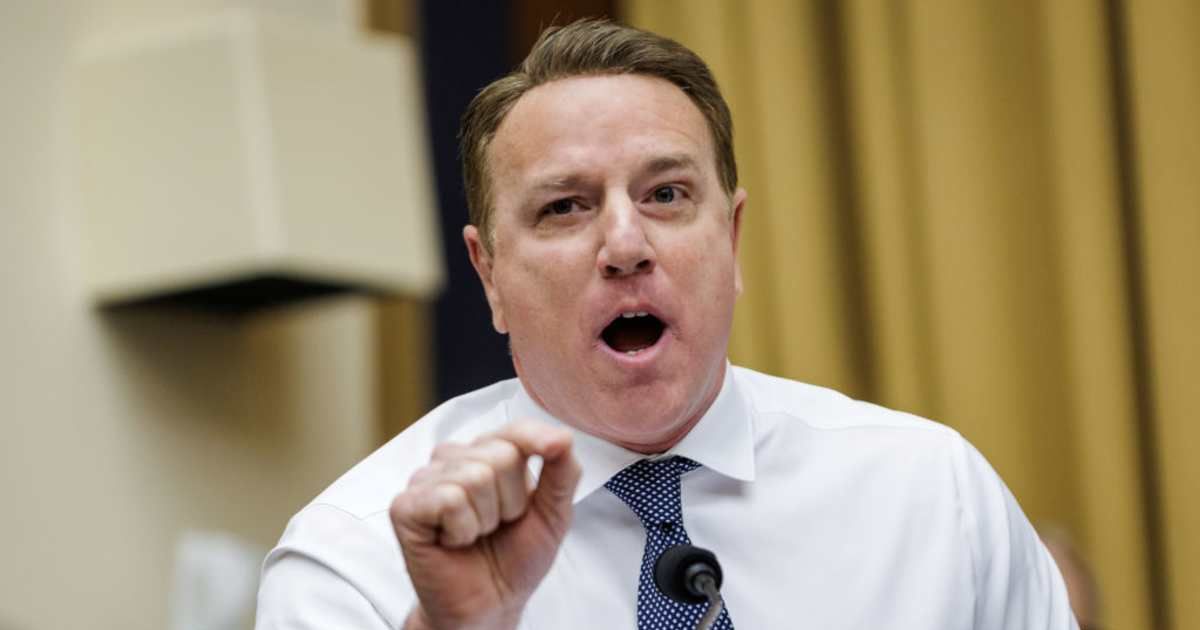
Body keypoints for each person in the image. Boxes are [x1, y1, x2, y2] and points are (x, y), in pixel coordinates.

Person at [255, 19, 1078, 629]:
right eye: (565, 207)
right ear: (490, 276)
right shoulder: (357, 559)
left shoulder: (931, 495)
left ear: (732, 236)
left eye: (666, 195)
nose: (624, 244)